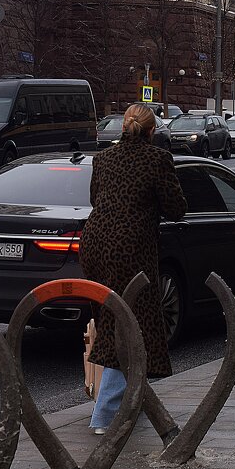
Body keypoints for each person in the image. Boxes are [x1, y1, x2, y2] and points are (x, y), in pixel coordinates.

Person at [82, 104, 187, 434]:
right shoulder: (157, 159)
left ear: (124, 126)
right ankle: (105, 415)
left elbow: (95, 198)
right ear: (153, 131)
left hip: (95, 244)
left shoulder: (103, 158)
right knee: (128, 324)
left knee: (116, 319)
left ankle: (131, 400)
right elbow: (176, 208)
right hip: (129, 250)